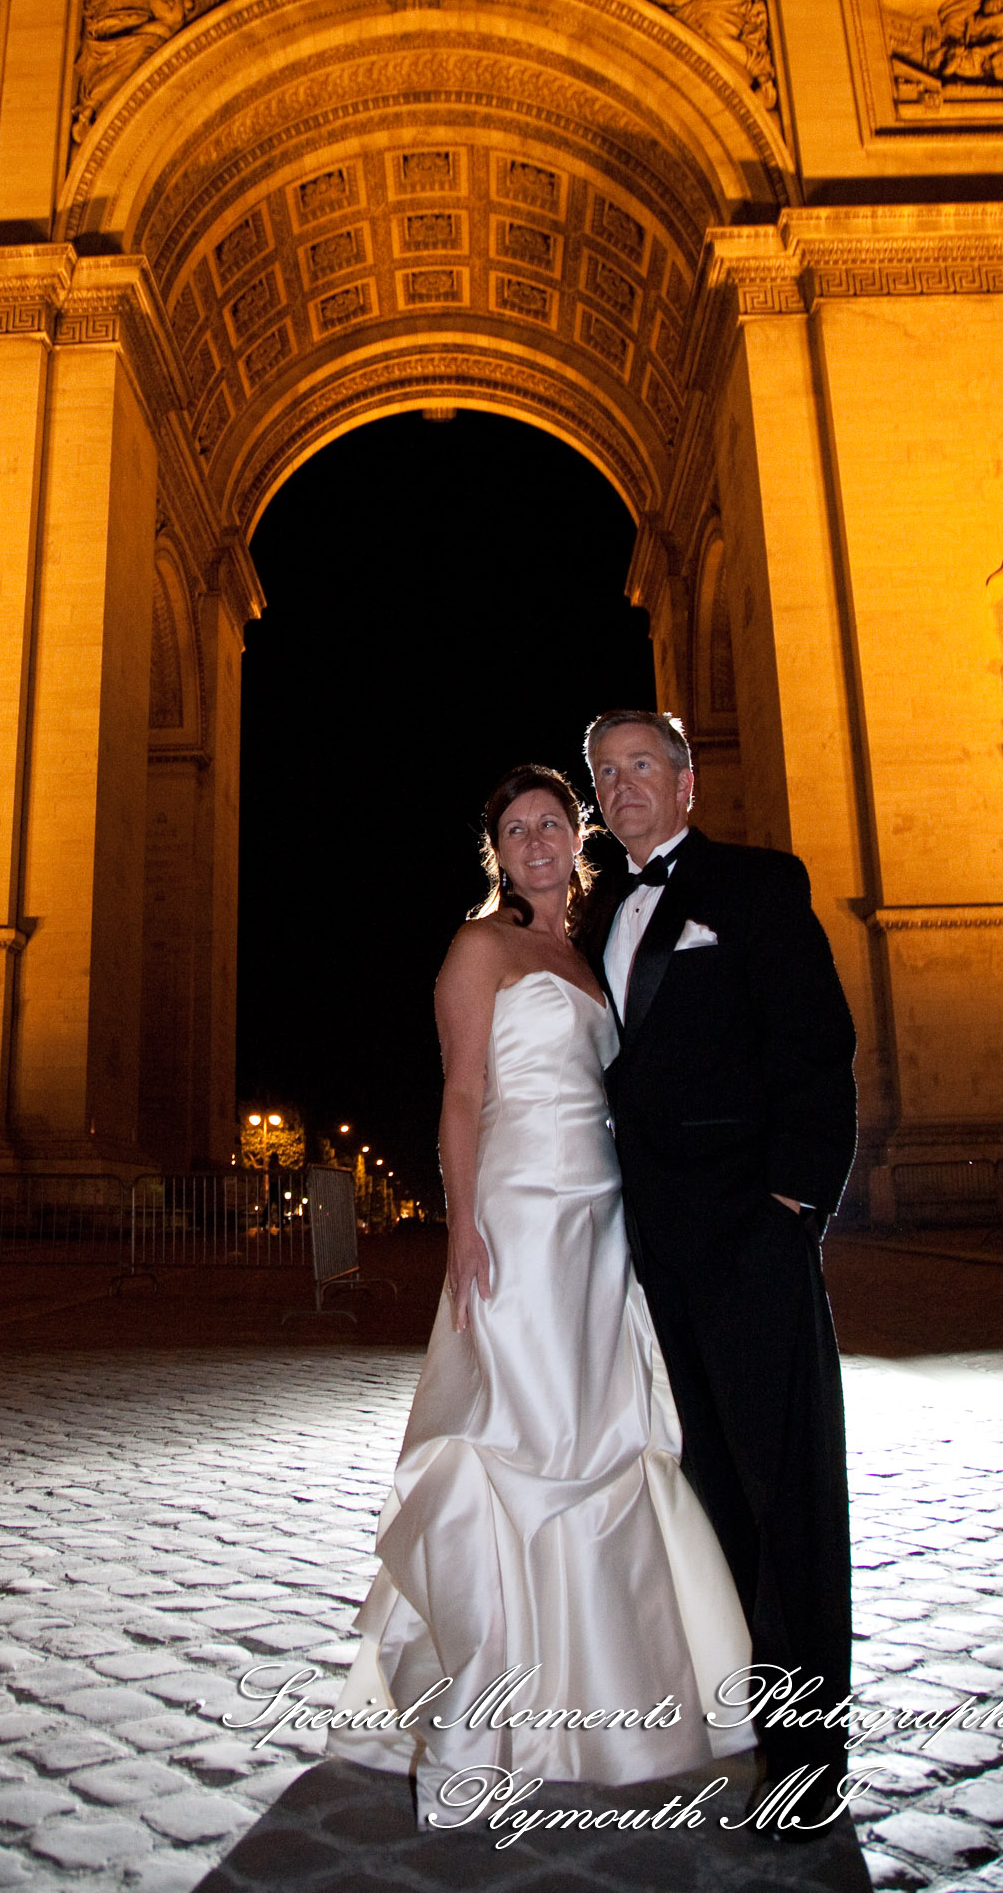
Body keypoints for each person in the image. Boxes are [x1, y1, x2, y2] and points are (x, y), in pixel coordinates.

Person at [330, 764, 752, 1820]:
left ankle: (611, 1697)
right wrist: (461, 1222)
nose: (533, 840)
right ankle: (491, 1712)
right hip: (518, 1215)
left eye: (549, 823)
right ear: (497, 852)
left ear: (579, 837)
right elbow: (463, 1093)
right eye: (513, 829)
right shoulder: (480, 948)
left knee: (612, 1435)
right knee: (518, 1435)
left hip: (604, 1219)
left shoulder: (596, 953)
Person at [576, 710, 857, 1840]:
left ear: (688, 781)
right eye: (607, 771)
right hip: (650, 1252)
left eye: (643, 764)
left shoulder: (757, 884)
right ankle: (752, 1725)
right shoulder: (596, 913)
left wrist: (795, 1202)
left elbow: (815, 1043)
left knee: (790, 1500)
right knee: (719, 1504)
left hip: (747, 1238)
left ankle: (810, 1761)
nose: (624, 784)